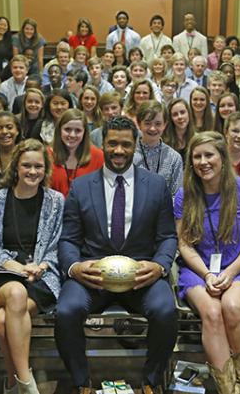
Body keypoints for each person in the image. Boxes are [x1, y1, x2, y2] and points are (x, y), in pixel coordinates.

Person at [55, 115, 178, 394]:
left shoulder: (157, 185)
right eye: (112, 144)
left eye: (125, 144)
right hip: (93, 278)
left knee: (166, 311)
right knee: (65, 311)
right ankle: (81, 381)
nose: (119, 151)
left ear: (135, 145)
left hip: (141, 278)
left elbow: (168, 236)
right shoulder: (82, 186)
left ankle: (150, 381)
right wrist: (74, 268)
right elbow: (68, 239)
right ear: (103, 143)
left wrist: (159, 266)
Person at [175, 131, 240, 394]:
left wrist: (230, 271)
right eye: (197, 156)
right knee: (212, 313)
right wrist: (206, 275)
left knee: (232, 306)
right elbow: (184, 245)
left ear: (222, 158)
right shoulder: (184, 196)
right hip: (198, 269)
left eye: (209, 155)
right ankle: (230, 391)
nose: (203, 161)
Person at [0, 139, 64, 394]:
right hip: (4, 275)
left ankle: (13, 384)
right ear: (16, 166)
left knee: (4, 320)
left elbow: (59, 243)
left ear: (45, 168)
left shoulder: (56, 201)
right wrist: (18, 268)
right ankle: (28, 384)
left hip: (42, 277)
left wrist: (43, 265)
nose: (33, 171)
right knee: (15, 293)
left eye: (38, 166)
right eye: (27, 165)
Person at [133, 100, 183, 195]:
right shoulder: (129, 155)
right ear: (139, 124)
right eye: (147, 123)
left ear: (165, 125)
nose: (153, 128)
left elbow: (176, 195)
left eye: (158, 124)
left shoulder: (174, 158)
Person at [50, 109, 104, 197]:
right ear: (59, 130)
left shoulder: (98, 156)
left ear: (84, 132)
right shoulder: (47, 156)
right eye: (67, 129)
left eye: (78, 130)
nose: (72, 135)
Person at [163, 98, 195, 162]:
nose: (180, 117)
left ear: (188, 113)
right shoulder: (163, 141)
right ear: (171, 118)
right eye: (175, 114)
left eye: (182, 112)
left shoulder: (196, 138)